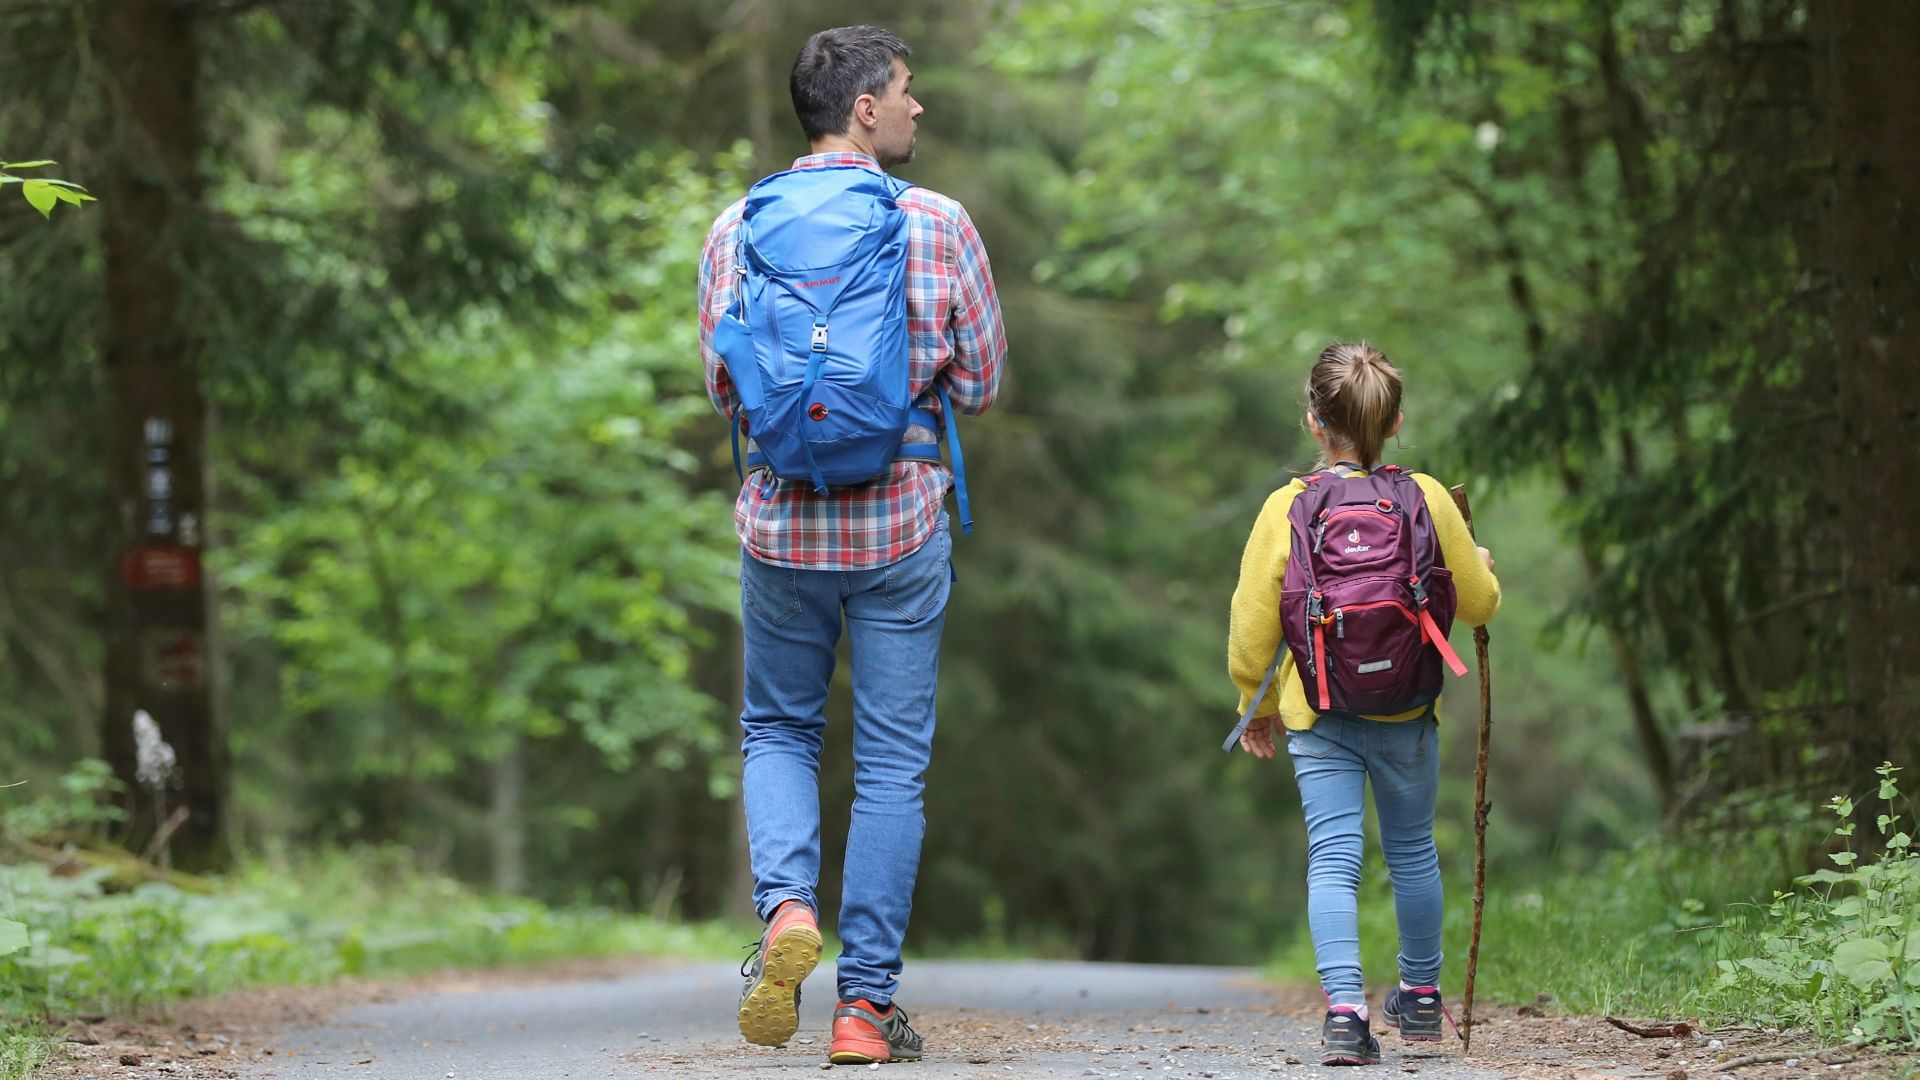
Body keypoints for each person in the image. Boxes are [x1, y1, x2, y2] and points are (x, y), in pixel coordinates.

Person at [696, 24, 1006, 1067]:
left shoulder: (737, 227)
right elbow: (984, 382)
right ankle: (864, 1010)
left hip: (782, 525)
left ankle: (786, 910)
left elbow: (723, 385)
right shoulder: (937, 223)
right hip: (900, 524)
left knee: (778, 729)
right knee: (889, 767)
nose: (919, 108)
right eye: (907, 92)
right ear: (863, 109)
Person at [1227, 342, 1500, 1067]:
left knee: (1333, 859)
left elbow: (1252, 626)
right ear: (1397, 421)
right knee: (1412, 853)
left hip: (1320, 714)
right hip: (1408, 712)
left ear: (1313, 421)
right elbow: (1477, 603)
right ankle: (1420, 1000)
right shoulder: (1428, 497)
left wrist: (1251, 705)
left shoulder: (1287, 506)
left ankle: (1346, 1014)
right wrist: (1483, 567)